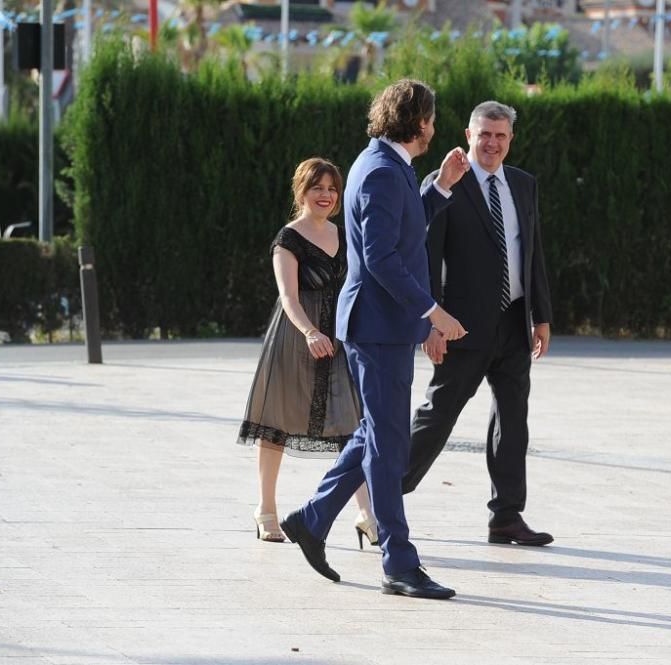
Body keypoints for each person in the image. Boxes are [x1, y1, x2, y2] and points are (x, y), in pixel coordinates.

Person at [280, 79, 470, 600]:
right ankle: (399, 564)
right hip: (378, 328)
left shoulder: (389, 166)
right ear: (418, 121)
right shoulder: (383, 172)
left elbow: (404, 233)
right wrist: (434, 312)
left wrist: (442, 186)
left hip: (382, 327)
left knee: (375, 435)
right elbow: (383, 259)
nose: (434, 124)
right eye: (431, 116)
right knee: (389, 447)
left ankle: (312, 518)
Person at [403, 101, 555, 547]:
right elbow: (426, 257)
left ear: (511, 140)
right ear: (468, 135)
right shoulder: (446, 183)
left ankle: (506, 516)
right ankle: (383, 499)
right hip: (460, 327)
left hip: (513, 323)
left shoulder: (523, 185)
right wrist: (430, 324)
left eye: (500, 136)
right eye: (484, 134)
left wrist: (541, 315)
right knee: (437, 416)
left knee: (513, 419)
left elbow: (533, 252)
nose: (491, 143)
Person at [237, 158, 376, 549]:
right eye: (318, 187)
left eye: (332, 189)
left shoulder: (344, 232)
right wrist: (310, 332)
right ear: (302, 191)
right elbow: (288, 297)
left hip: (341, 338)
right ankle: (265, 510)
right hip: (296, 337)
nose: (326, 195)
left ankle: (366, 514)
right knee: (275, 423)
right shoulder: (288, 238)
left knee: (353, 425)